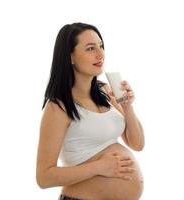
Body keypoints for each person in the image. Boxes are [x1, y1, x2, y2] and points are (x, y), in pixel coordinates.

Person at [36, 22, 145, 200]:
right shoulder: (58, 107)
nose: (100, 54)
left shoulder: (105, 91)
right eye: (90, 48)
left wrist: (127, 106)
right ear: (70, 56)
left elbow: (137, 144)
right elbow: (44, 177)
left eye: (101, 46)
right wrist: (99, 167)